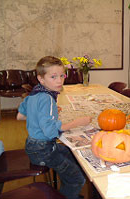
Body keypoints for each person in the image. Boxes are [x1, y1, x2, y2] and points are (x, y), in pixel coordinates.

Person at [17, 56, 92, 199]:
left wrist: (43, 114)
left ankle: (66, 187)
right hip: (44, 150)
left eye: (62, 75)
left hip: (33, 147)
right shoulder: (47, 98)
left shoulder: (34, 93)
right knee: (78, 179)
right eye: (53, 76)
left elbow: (20, 116)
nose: (59, 80)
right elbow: (51, 132)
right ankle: (66, 194)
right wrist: (78, 122)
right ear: (41, 79)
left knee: (73, 154)